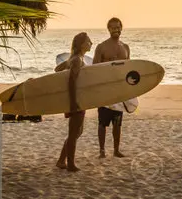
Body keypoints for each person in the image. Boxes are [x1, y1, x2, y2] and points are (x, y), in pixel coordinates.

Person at [93, 17, 130, 158]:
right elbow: (94, 68)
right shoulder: (101, 47)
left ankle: (116, 150)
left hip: (120, 89)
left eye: (118, 27)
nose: (116, 29)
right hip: (105, 90)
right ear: (108, 29)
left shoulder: (125, 47)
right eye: (113, 27)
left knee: (117, 122)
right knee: (102, 122)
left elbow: (129, 69)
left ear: (121, 28)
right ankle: (102, 151)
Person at [56, 32, 92, 171]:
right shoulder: (77, 60)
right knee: (74, 132)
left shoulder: (76, 58)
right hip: (75, 100)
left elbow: (57, 69)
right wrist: (72, 103)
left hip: (78, 99)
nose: (91, 43)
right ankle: (70, 164)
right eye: (88, 41)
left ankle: (61, 161)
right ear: (81, 44)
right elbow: (71, 81)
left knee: (78, 132)